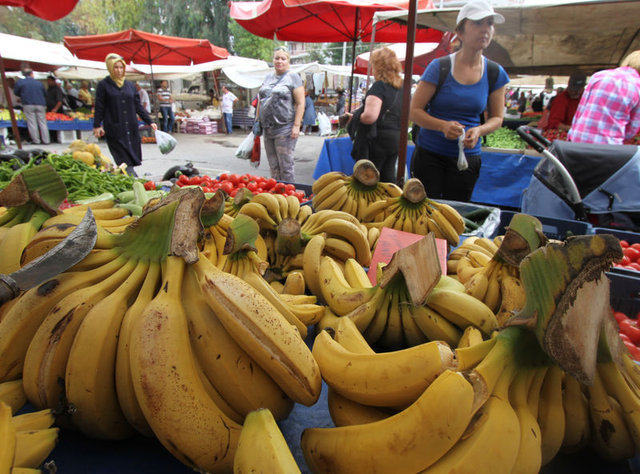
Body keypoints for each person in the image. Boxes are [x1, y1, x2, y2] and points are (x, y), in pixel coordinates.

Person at [409, 0, 509, 202]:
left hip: (467, 160)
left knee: (456, 216)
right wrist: (442, 126)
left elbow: (498, 118)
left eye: (489, 23)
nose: (485, 29)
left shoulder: (494, 73)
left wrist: (479, 130)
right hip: (430, 156)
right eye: (478, 23)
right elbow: (414, 111)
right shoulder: (440, 67)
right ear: (461, 32)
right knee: (423, 213)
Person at [93, 53, 157, 176]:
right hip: (114, 127)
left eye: (121, 67)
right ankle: (135, 180)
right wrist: (97, 125)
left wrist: (149, 121)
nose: (119, 70)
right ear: (110, 68)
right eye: (115, 67)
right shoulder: (104, 85)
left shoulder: (130, 86)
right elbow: (99, 106)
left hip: (131, 127)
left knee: (131, 157)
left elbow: (138, 106)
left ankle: (128, 178)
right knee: (122, 157)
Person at [350, 47, 404, 182]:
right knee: (388, 179)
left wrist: (357, 117)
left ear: (378, 66)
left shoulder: (380, 86)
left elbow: (369, 117)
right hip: (396, 138)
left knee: (369, 180)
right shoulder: (403, 87)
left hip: (377, 140)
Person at [568, 50, 640, 145]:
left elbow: (580, 111)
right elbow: (632, 129)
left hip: (577, 141)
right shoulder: (637, 86)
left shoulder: (599, 75)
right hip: (608, 147)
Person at [255, 46, 304, 182]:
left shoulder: (293, 77)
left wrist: (296, 125)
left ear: (288, 61)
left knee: (286, 165)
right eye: (277, 58)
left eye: (283, 58)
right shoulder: (268, 77)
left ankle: (290, 195)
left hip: (285, 128)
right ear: (273, 60)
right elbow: (261, 100)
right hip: (267, 128)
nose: (279, 61)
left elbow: (301, 103)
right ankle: (277, 194)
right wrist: (257, 121)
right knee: (273, 165)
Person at [13, 68, 49, 144]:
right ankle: (46, 140)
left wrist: (23, 95)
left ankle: (36, 140)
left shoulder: (20, 82)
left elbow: (16, 92)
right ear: (32, 74)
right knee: (42, 122)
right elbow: (45, 93)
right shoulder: (39, 83)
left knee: (32, 123)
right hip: (40, 104)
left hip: (28, 103)